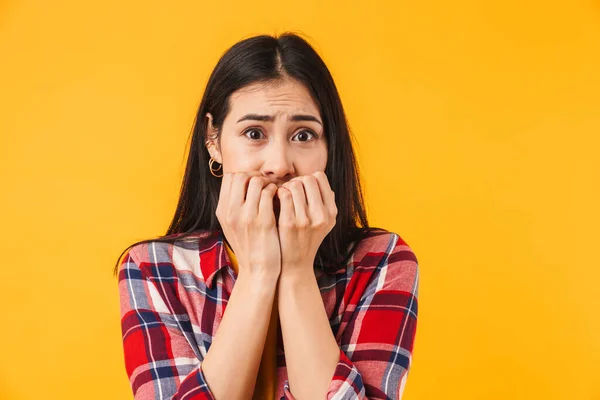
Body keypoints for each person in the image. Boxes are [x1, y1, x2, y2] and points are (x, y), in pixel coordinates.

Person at [115, 32, 419, 400]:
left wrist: (296, 271)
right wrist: (258, 272)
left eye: (304, 135)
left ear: (329, 148)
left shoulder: (383, 260)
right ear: (214, 141)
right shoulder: (153, 269)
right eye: (254, 133)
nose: (279, 165)